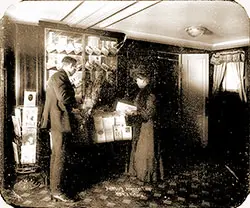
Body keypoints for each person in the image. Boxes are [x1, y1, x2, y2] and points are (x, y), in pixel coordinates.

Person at [40, 56, 81, 202]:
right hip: (59, 122)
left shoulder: (58, 77)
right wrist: (76, 99)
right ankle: (57, 190)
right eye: (75, 66)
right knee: (60, 155)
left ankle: (54, 189)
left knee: (57, 155)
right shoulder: (60, 76)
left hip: (57, 121)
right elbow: (63, 97)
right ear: (69, 65)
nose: (76, 69)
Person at [126, 65, 164, 183]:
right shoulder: (143, 92)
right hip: (142, 125)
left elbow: (148, 114)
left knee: (147, 149)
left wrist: (135, 112)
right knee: (141, 148)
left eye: (137, 80)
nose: (136, 82)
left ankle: (147, 175)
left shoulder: (150, 94)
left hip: (148, 126)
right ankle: (140, 172)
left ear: (143, 80)